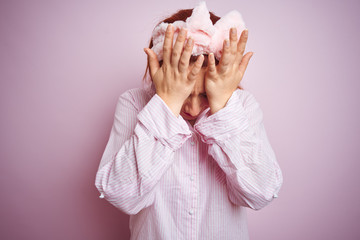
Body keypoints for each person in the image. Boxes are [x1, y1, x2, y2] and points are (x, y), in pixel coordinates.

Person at [95, 2, 283, 239]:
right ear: (161, 73)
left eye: (205, 94)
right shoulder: (133, 103)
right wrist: (167, 104)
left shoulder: (243, 107)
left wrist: (223, 107)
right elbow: (121, 195)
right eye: (184, 94)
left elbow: (261, 193)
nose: (193, 109)